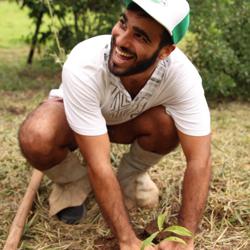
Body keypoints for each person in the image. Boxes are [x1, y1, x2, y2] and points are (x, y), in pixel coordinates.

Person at [18, 0, 212, 249]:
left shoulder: (182, 77)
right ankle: (74, 181)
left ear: (165, 52)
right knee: (37, 136)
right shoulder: (84, 63)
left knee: (170, 124)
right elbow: (98, 162)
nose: (121, 40)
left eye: (140, 36)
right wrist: (127, 239)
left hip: (128, 122)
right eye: (123, 23)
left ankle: (130, 176)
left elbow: (199, 159)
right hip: (76, 122)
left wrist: (184, 235)